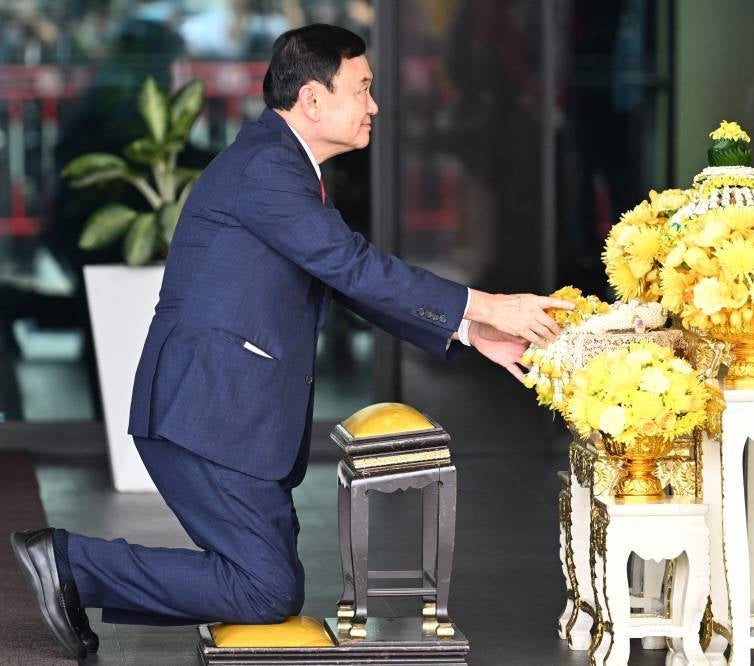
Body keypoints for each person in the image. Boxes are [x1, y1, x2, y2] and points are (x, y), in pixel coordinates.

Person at [10, 24, 572, 660]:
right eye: (363, 89)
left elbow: (344, 280)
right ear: (312, 99)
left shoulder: (281, 164)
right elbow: (354, 265)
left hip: (234, 417)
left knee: (270, 583)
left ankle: (73, 571)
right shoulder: (268, 170)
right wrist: (490, 301)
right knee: (265, 590)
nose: (374, 106)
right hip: (206, 415)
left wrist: (473, 332)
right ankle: (68, 562)